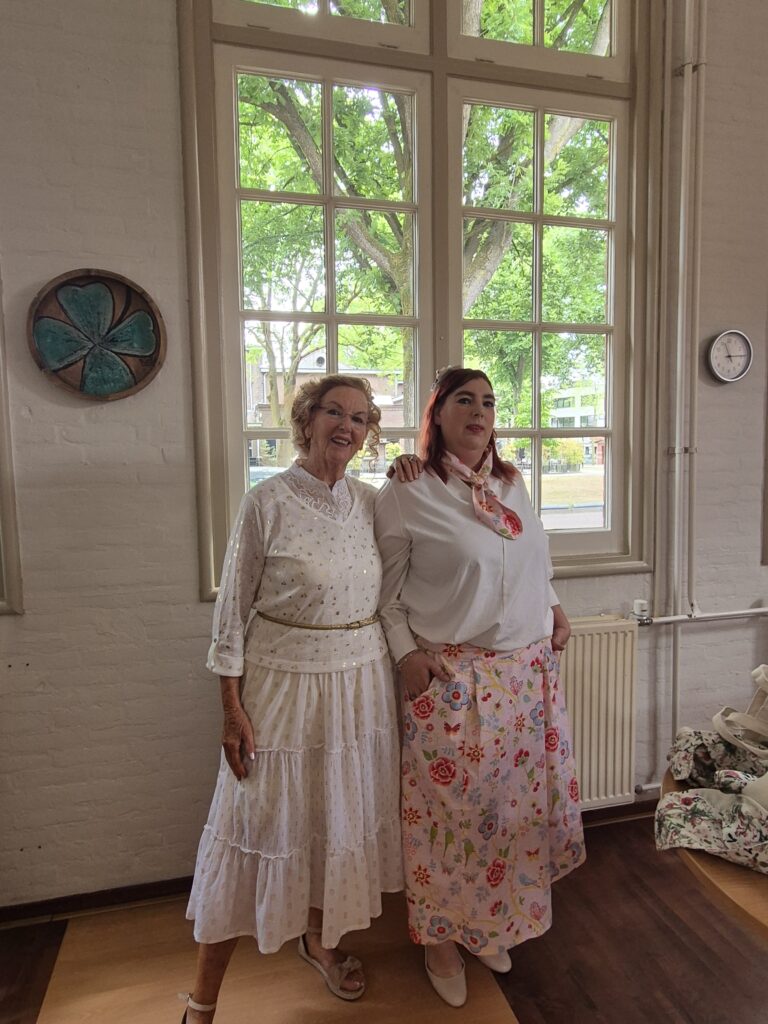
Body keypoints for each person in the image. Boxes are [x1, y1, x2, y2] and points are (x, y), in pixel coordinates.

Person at [183, 375, 403, 1022]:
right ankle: (202, 1001)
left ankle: (319, 941)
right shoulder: (266, 502)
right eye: (334, 411)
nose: (347, 426)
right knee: (253, 823)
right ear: (306, 421)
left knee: (335, 817)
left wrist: (414, 472)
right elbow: (231, 613)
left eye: (359, 418)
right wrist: (231, 710)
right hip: (280, 687)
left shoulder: (373, 503)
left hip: (360, 687)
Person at [374, 366, 585, 1008]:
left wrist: (553, 608)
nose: (479, 412)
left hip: (524, 681)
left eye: (489, 402)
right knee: (447, 820)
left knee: (506, 818)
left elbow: (534, 563)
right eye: (464, 400)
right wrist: (407, 655)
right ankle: (441, 939)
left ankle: (487, 925)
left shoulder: (511, 484)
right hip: (454, 680)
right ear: (437, 414)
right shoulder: (408, 491)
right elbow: (385, 595)